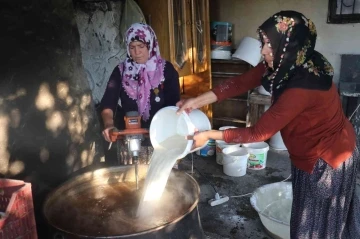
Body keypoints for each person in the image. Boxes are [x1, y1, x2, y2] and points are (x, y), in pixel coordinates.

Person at [177, 11, 359, 238]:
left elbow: (259, 132)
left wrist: (208, 134)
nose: (263, 51)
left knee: (317, 228)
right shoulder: (289, 61)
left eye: (270, 46)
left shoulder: (301, 87)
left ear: (289, 45)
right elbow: (238, 83)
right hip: (316, 149)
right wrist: (196, 101)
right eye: (264, 43)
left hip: (326, 161)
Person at [100, 23, 180, 165]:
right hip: (130, 139)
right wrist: (109, 124)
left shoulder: (166, 70)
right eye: (132, 47)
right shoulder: (121, 71)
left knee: (163, 181)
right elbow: (108, 102)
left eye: (141, 46)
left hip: (161, 136)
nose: (137, 52)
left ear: (150, 45)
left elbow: (173, 106)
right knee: (130, 178)